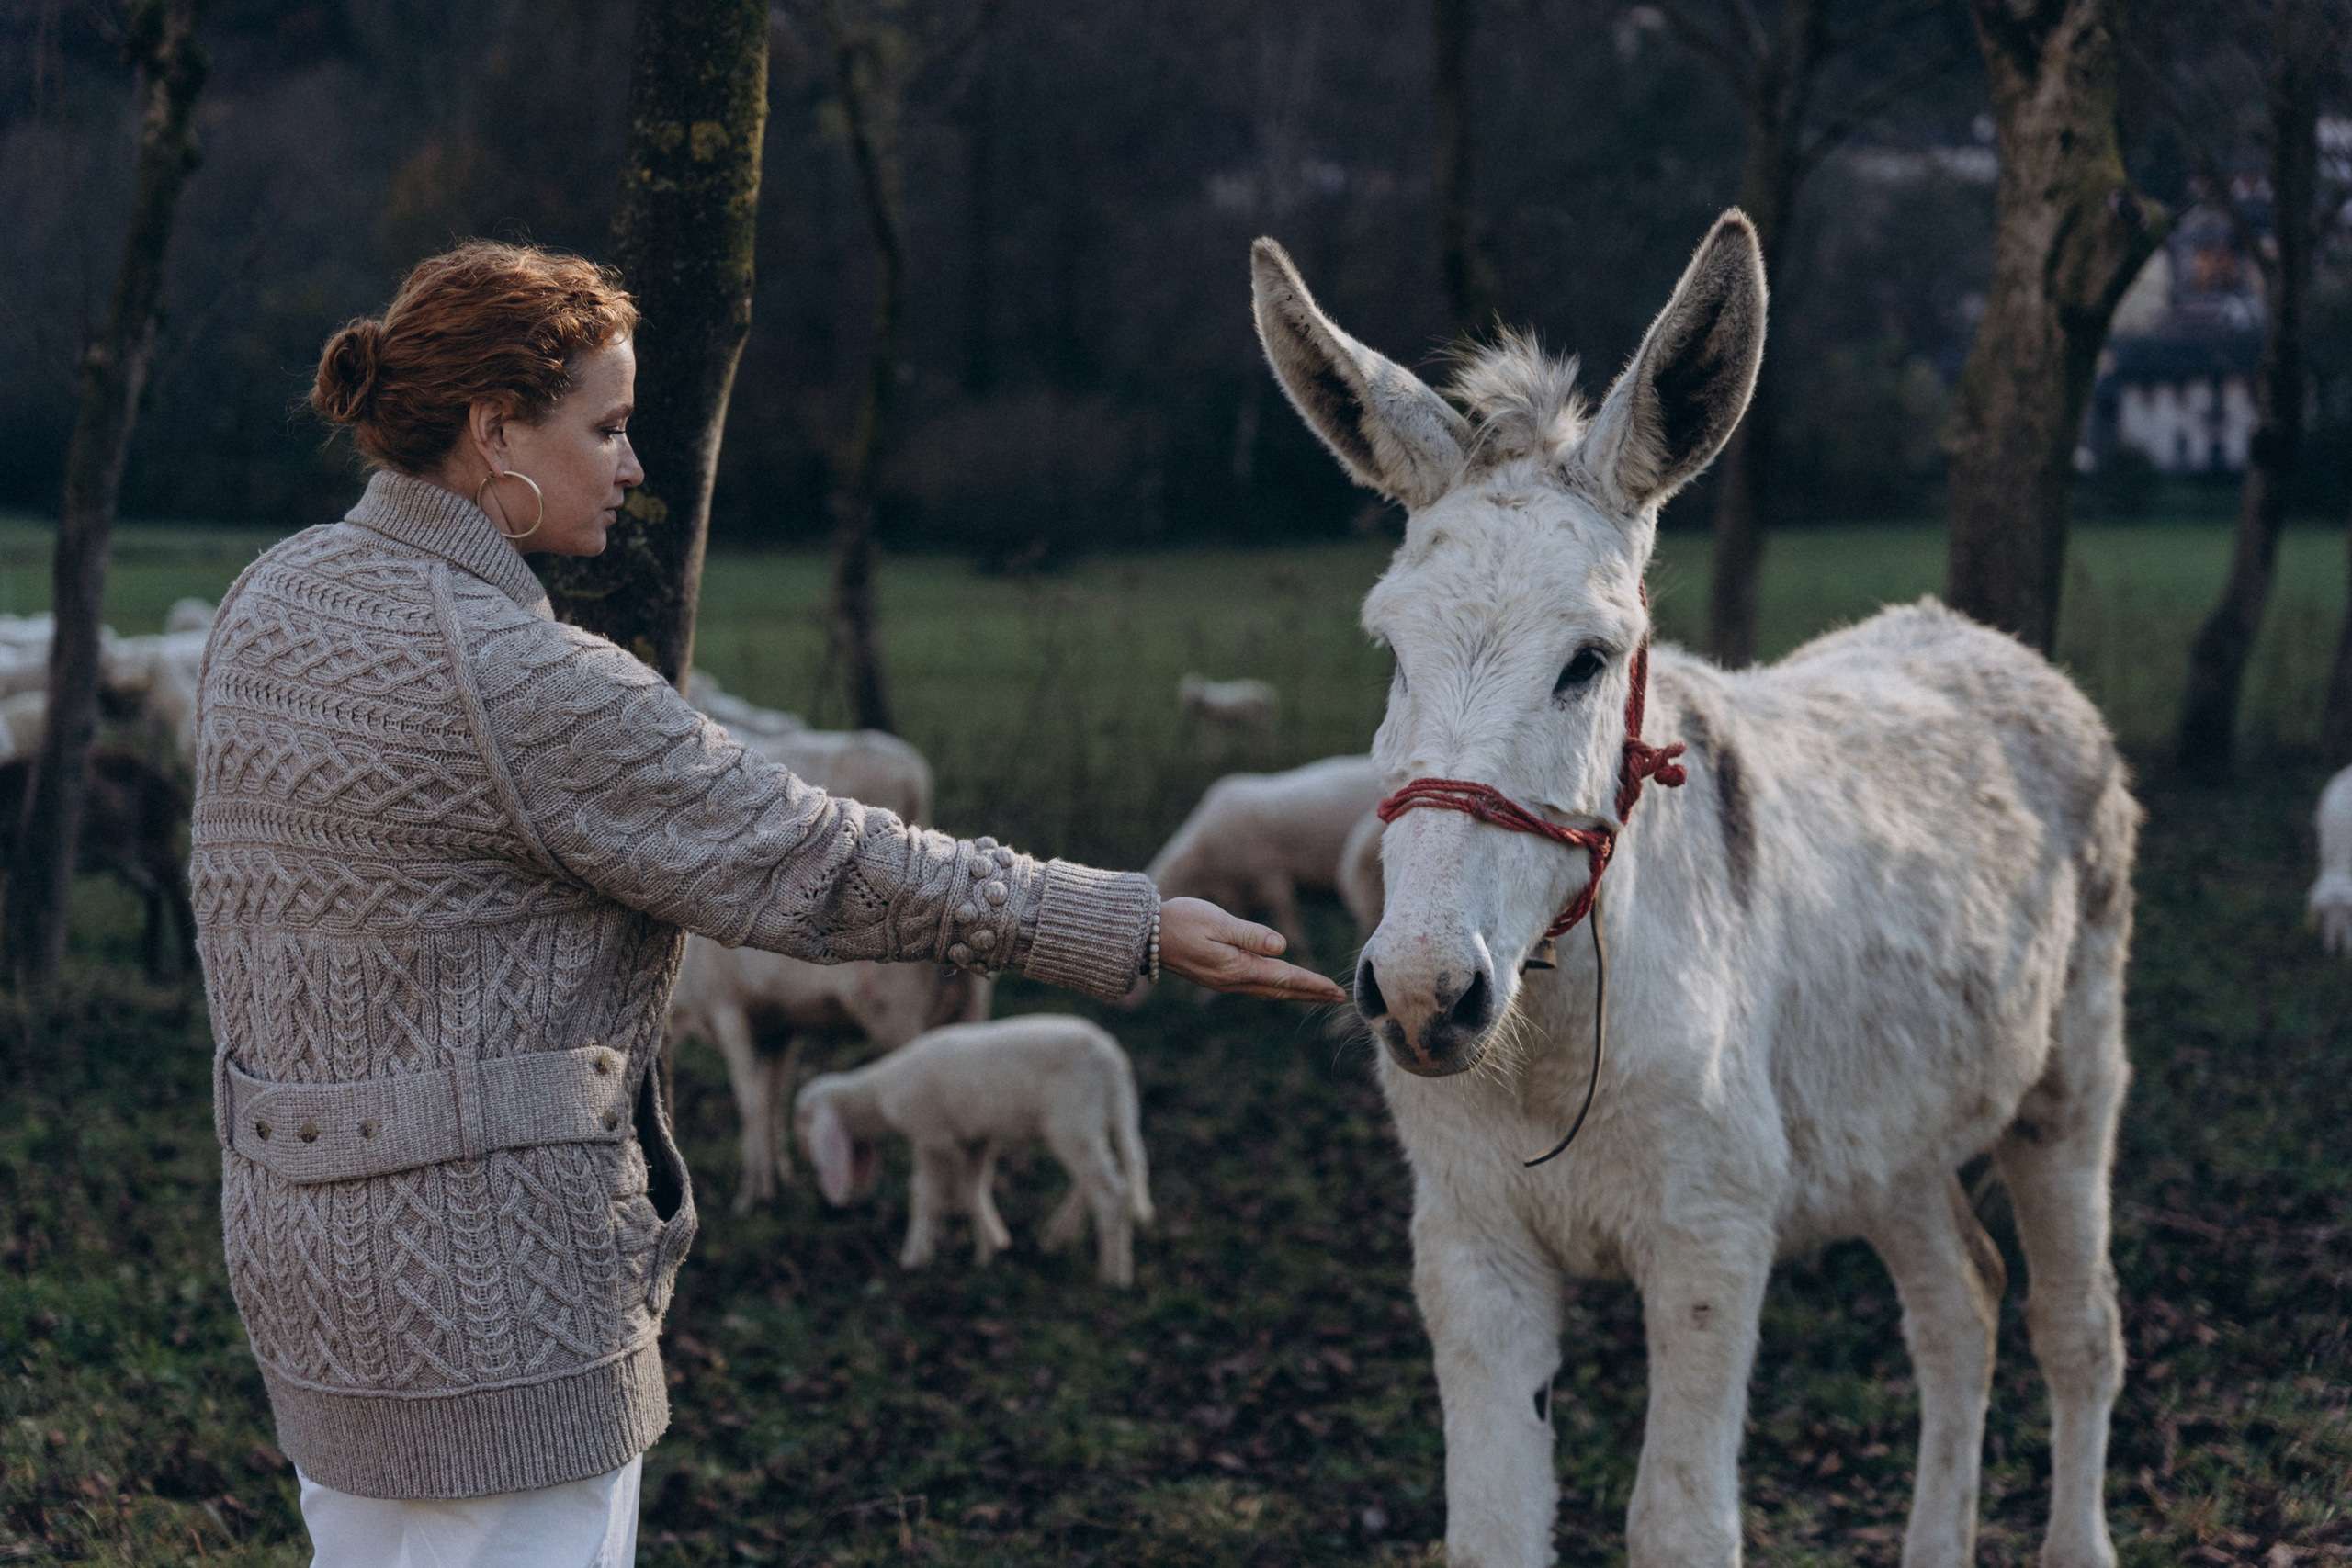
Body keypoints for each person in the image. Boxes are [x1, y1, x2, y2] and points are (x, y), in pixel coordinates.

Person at [192, 240, 1345, 1567]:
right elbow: (820, 861)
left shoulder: (266, 603)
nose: (635, 466)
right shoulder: (521, 679)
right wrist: (1119, 920)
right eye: (609, 428)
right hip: (491, 1313)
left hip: (307, 1285)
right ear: (494, 429)